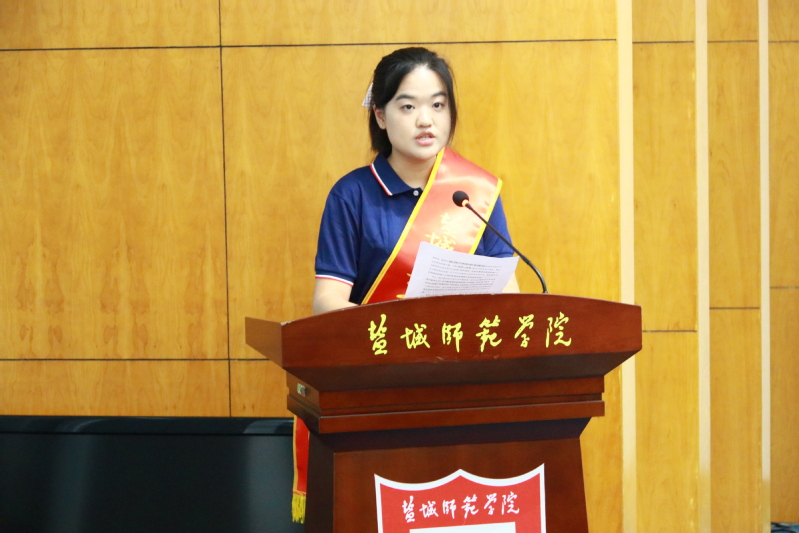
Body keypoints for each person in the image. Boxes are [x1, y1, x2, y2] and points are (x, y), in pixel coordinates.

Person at [313, 47, 520, 315]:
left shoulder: (475, 191)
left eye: (437, 105)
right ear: (380, 116)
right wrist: (392, 327)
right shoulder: (352, 195)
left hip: (460, 339)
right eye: (408, 107)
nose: (425, 120)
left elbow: (507, 291)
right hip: (381, 340)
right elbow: (326, 299)